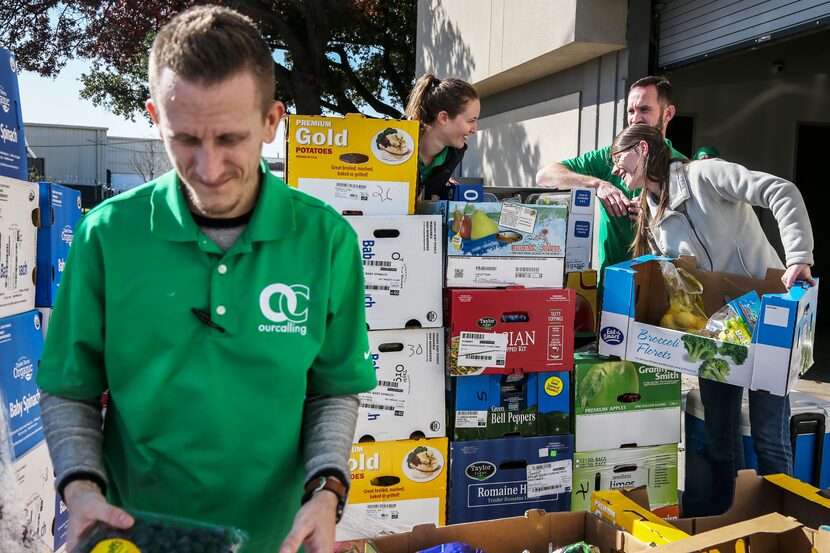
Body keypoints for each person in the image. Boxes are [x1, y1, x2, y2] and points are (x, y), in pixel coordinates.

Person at [35, 6, 377, 552]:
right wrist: (79, 487)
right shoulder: (107, 235)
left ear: (271, 122)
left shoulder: (327, 240)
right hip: (134, 535)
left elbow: (333, 389)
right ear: (155, 116)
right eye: (186, 139)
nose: (209, 167)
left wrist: (327, 490)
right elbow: (67, 388)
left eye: (230, 139)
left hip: (277, 538)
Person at [610, 123, 815, 515]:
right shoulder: (652, 212)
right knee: (720, 436)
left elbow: (780, 190)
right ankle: (731, 516)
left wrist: (798, 257)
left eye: (618, 161)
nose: (616, 172)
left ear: (640, 149)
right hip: (717, 333)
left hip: (768, 318)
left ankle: (784, 521)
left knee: (770, 436)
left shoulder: (704, 175)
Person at [535, 76, 687, 288]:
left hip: (660, 293)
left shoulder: (683, 167)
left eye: (644, 110)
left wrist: (656, 217)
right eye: (631, 111)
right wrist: (599, 185)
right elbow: (545, 176)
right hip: (610, 288)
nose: (635, 119)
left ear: (668, 113)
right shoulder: (611, 157)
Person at [404, 73, 480, 199]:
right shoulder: (396, 144)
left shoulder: (455, 153)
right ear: (444, 118)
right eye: (471, 120)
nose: (474, 129)